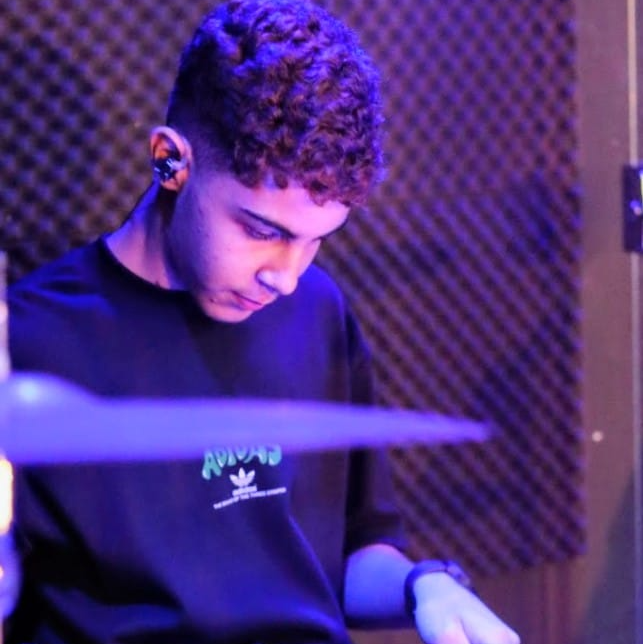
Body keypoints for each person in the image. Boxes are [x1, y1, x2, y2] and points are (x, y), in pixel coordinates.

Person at [6, 1, 520, 643]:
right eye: (262, 231)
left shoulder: (317, 310)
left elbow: (353, 554)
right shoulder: (28, 341)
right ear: (170, 162)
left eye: (316, 241)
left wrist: (425, 585)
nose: (286, 276)